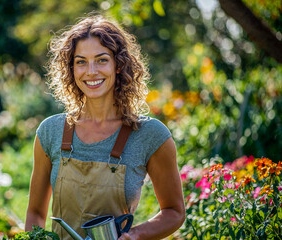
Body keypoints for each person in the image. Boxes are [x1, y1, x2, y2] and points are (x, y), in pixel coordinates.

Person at [25, 15, 185, 240]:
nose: (91, 71)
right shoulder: (51, 132)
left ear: (119, 65)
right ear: (71, 69)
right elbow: (35, 213)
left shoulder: (150, 136)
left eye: (101, 60)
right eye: (81, 61)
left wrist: (135, 235)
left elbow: (174, 212)